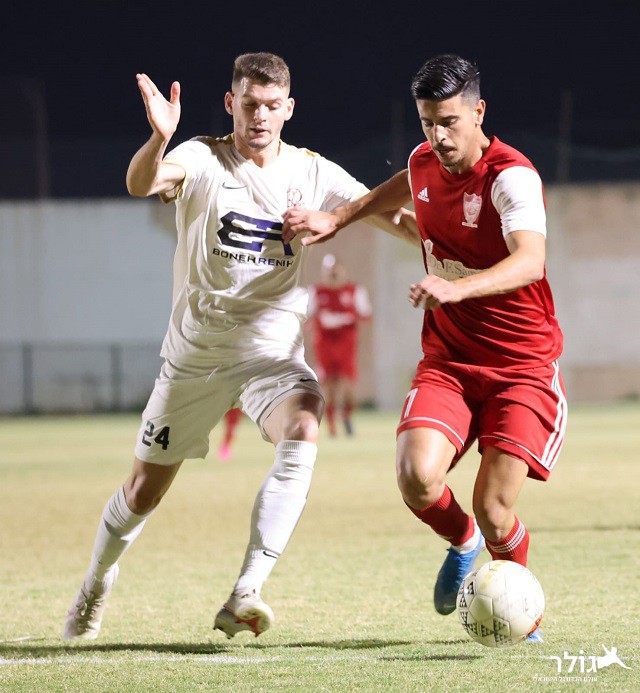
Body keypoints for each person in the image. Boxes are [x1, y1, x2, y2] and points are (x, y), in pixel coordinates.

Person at [62, 52, 419, 642]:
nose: (260, 117)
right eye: (249, 104)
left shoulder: (313, 171)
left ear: (289, 109)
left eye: (272, 106)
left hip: (270, 355)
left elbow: (392, 216)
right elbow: (140, 183)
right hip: (196, 357)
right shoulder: (201, 157)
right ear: (231, 103)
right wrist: (159, 138)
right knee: (143, 491)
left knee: (304, 426)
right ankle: (96, 582)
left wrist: (458, 246)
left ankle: (246, 591)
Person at [283, 54, 567, 643]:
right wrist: (337, 218)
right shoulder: (422, 162)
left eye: (449, 121)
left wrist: (456, 287)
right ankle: (462, 541)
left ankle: (521, 609)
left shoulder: (510, 176)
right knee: (415, 476)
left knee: (496, 511)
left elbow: (531, 261)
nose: (437, 136)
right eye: (427, 123)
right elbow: (398, 189)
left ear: (479, 112)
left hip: (521, 366)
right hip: (450, 362)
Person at [307, 254, 372, 436]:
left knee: (346, 386)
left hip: (346, 344)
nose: (333, 274)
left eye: (336, 269)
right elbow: (307, 317)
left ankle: (346, 414)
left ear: (343, 270)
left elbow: (366, 316)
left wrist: (347, 319)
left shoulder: (354, 291)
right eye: (329, 270)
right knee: (327, 385)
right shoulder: (315, 292)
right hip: (324, 344)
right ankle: (331, 426)